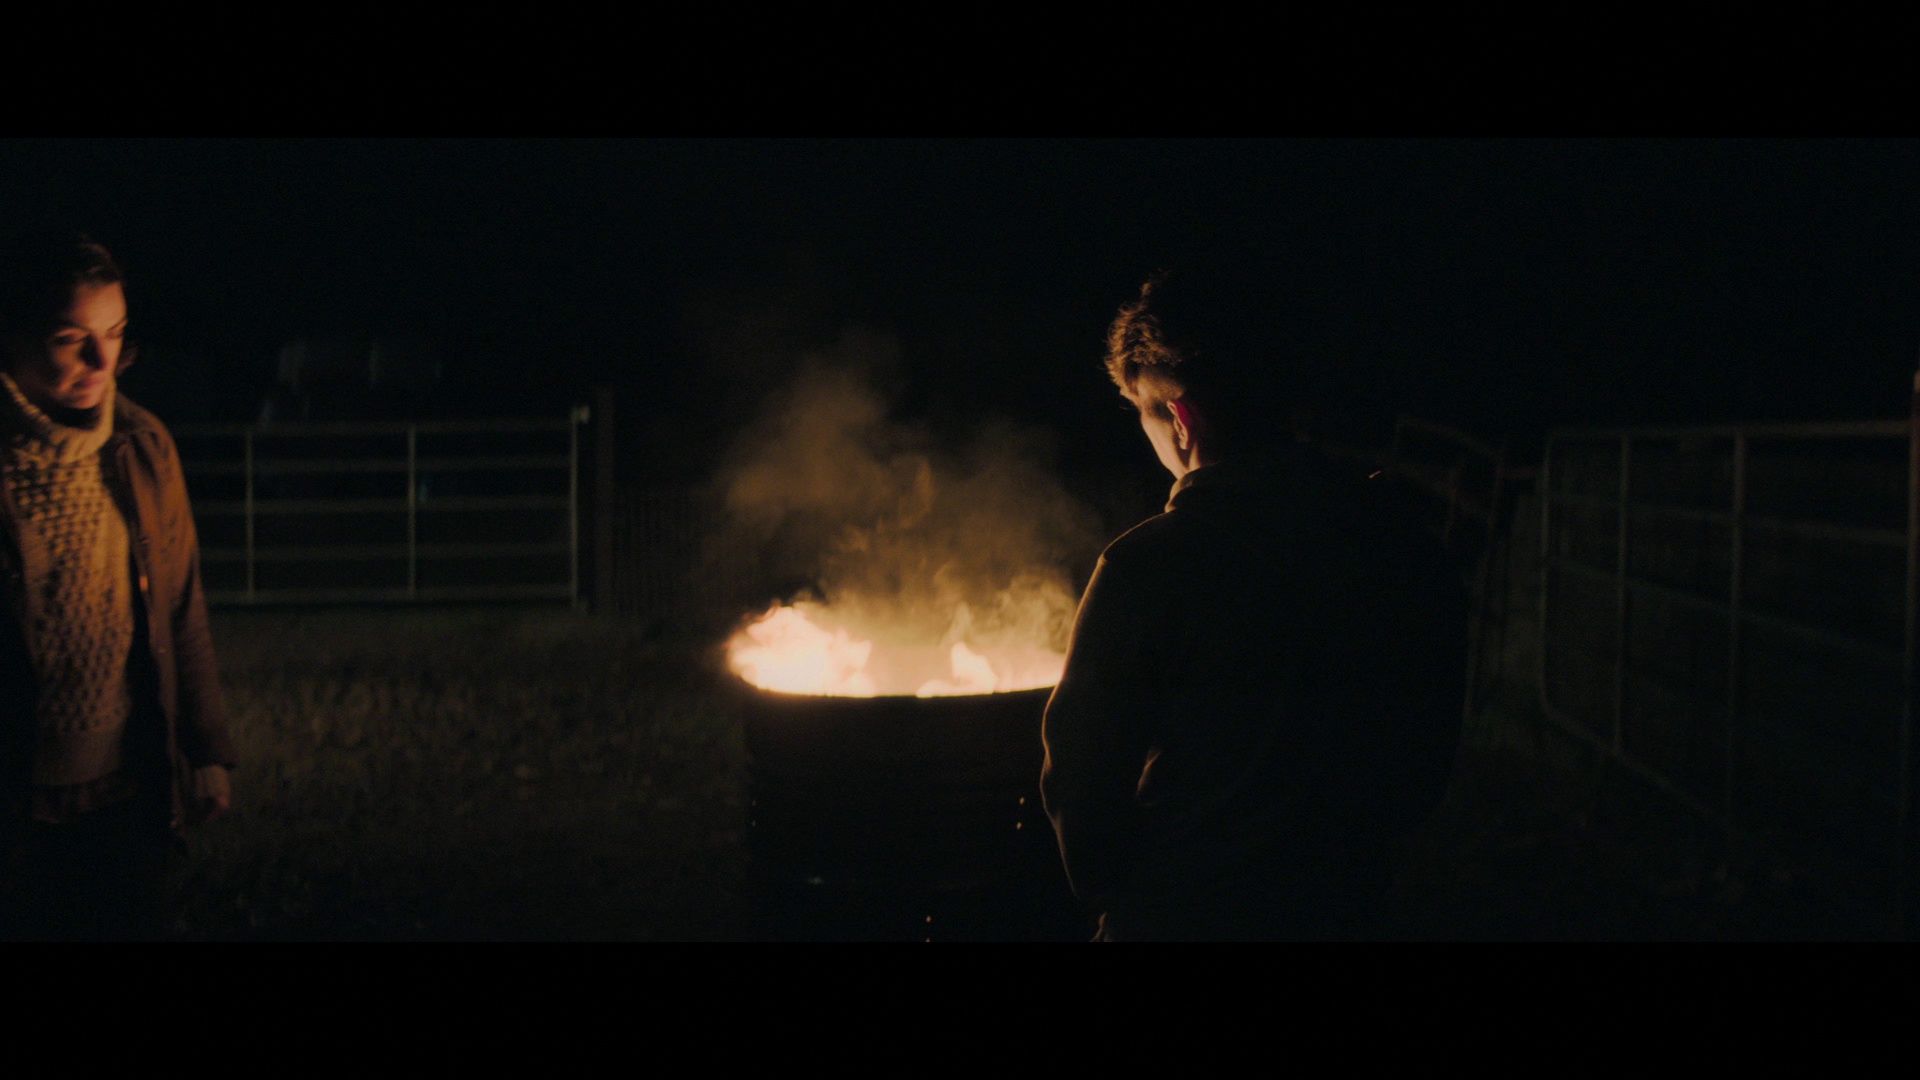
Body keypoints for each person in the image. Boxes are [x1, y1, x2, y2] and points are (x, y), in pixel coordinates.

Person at [1040, 270, 1466, 940]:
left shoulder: (1148, 566)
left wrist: (1126, 890)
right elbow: (1421, 767)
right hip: (1345, 911)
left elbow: (1084, 788)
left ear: (1181, 419)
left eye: (1144, 413)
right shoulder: (1400, 544)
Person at [0, 232, 236, 940]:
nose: (103, 362)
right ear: (13, 336)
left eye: (115, 333)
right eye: (71, 339)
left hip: (127, 794)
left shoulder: (142, 447)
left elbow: (180, 607)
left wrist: (204, 748)